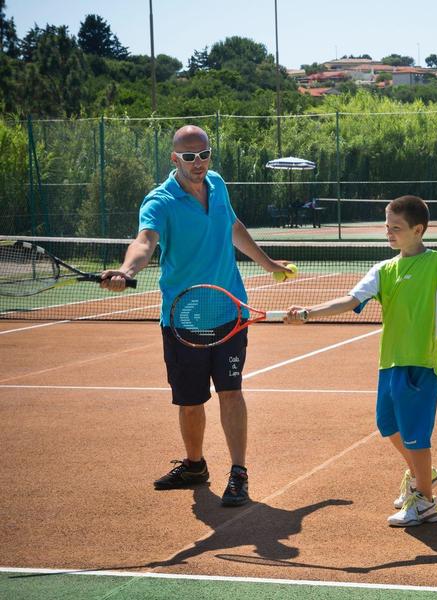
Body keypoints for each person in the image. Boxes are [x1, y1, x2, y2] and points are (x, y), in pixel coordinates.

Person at [100, 125, 292, 507]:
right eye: (189, 156)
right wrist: (127, 271)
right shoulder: (160, 201)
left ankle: (238, 473)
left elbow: (233, 228)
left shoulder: (218, 184)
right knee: (189, 401)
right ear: (174, 159)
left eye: (203, 154)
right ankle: (194, 465)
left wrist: (268, 263)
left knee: (231, 392)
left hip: (229, 311)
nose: (198, 162)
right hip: (182, 318)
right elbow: (144, 242)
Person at [285, 195, 437, 527]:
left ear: (418, 229)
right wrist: (308, 313)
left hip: (420, 362)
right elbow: (350, 300)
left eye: (396, 228)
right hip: (390, 362)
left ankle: (426, 502)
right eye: (387, 227)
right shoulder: (383, 270)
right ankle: (422, 473)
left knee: (415, 433)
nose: (389, 233)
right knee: (388, 425)